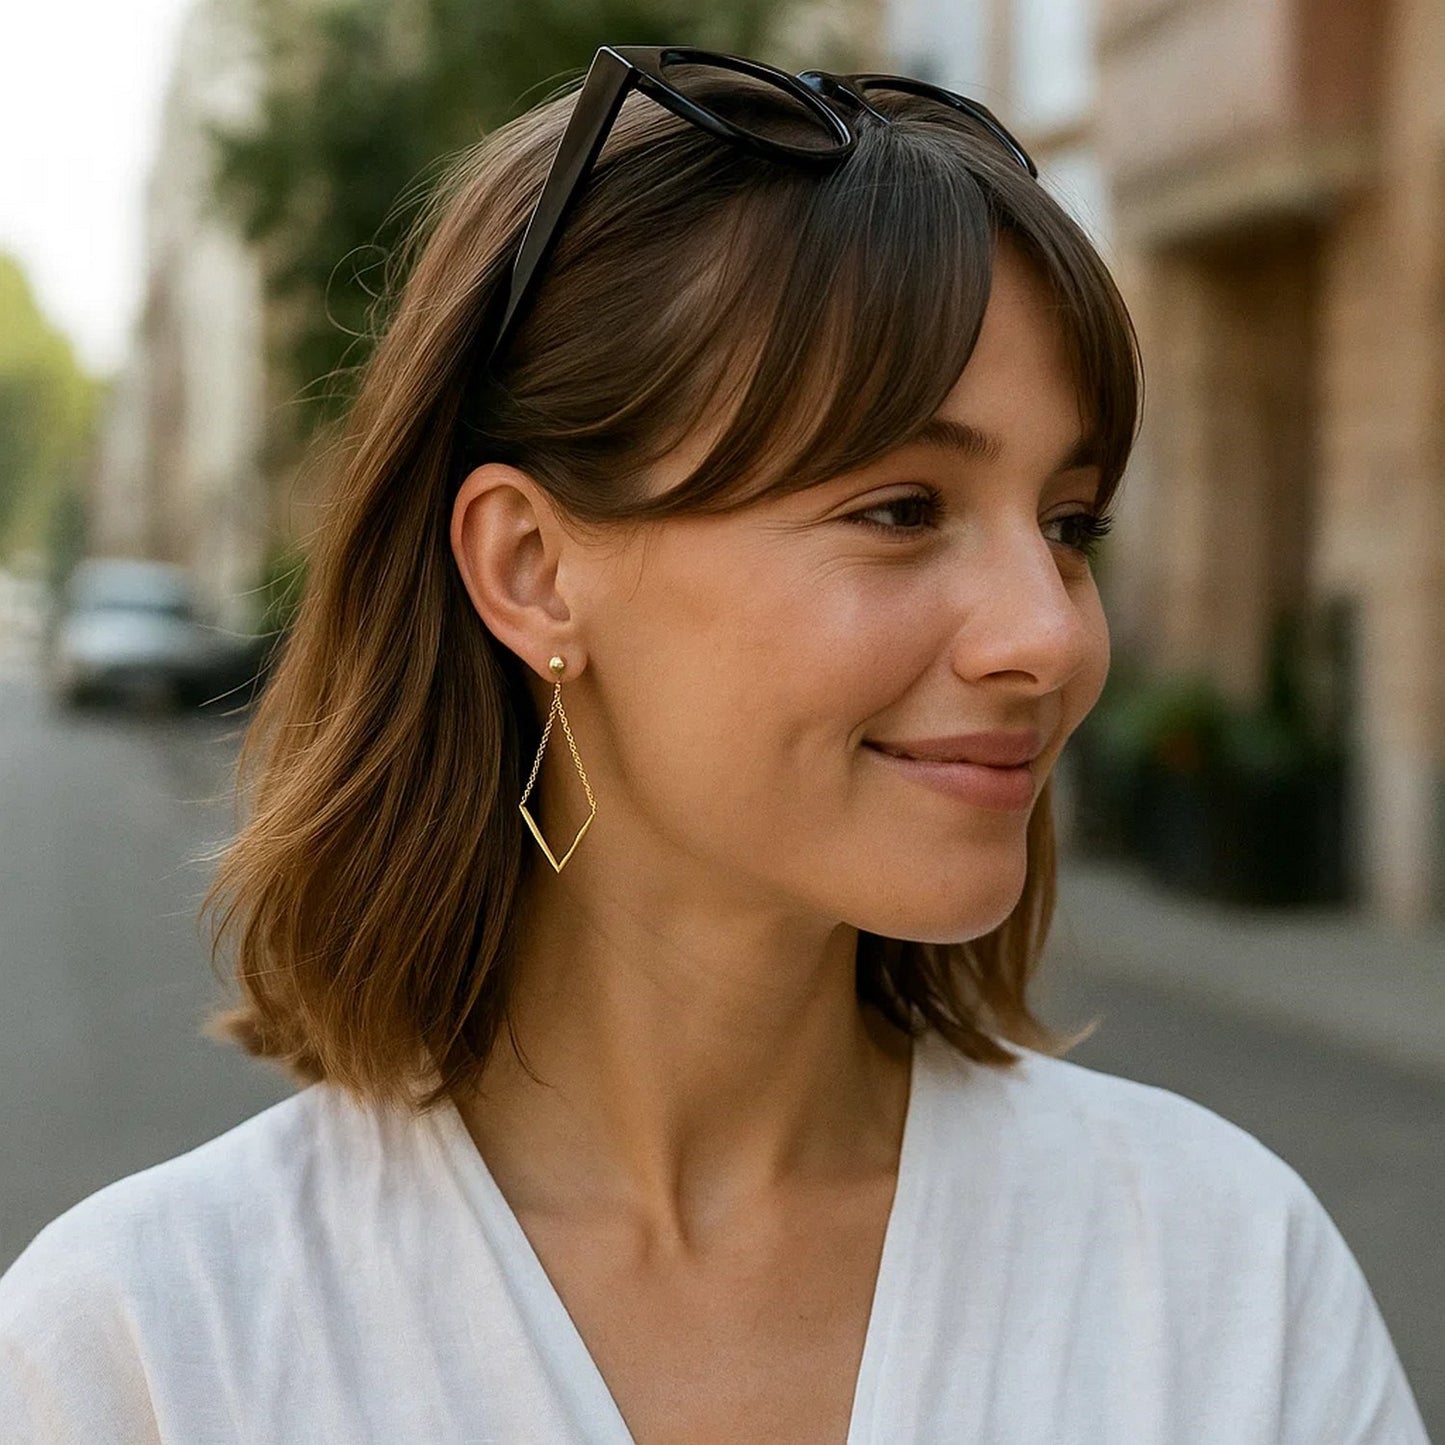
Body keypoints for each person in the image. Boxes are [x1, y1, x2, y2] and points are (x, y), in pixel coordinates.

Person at [0, 45, 1427, 1445]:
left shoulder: (1220, 1279)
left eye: (1068, 525)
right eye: (900, 509)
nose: (1048, 635)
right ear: (532, 570)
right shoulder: (149, 1351)